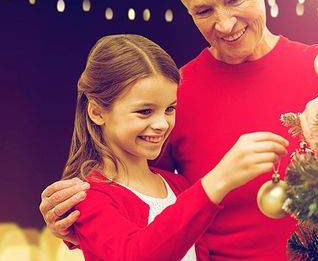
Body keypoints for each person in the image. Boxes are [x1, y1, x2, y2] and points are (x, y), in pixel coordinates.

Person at [39, 0, 318, 260]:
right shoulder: (174, 96)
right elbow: (141, 201)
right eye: (203, 11)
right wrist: (76, 225)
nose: (224, 23)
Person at [60, 34, 288, 261]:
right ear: (97, 112)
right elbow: (134, 255)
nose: (162, 124)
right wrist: (218, 179)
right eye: (145, 111)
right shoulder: (88, 197)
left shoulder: (178, 185)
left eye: (169, 109)